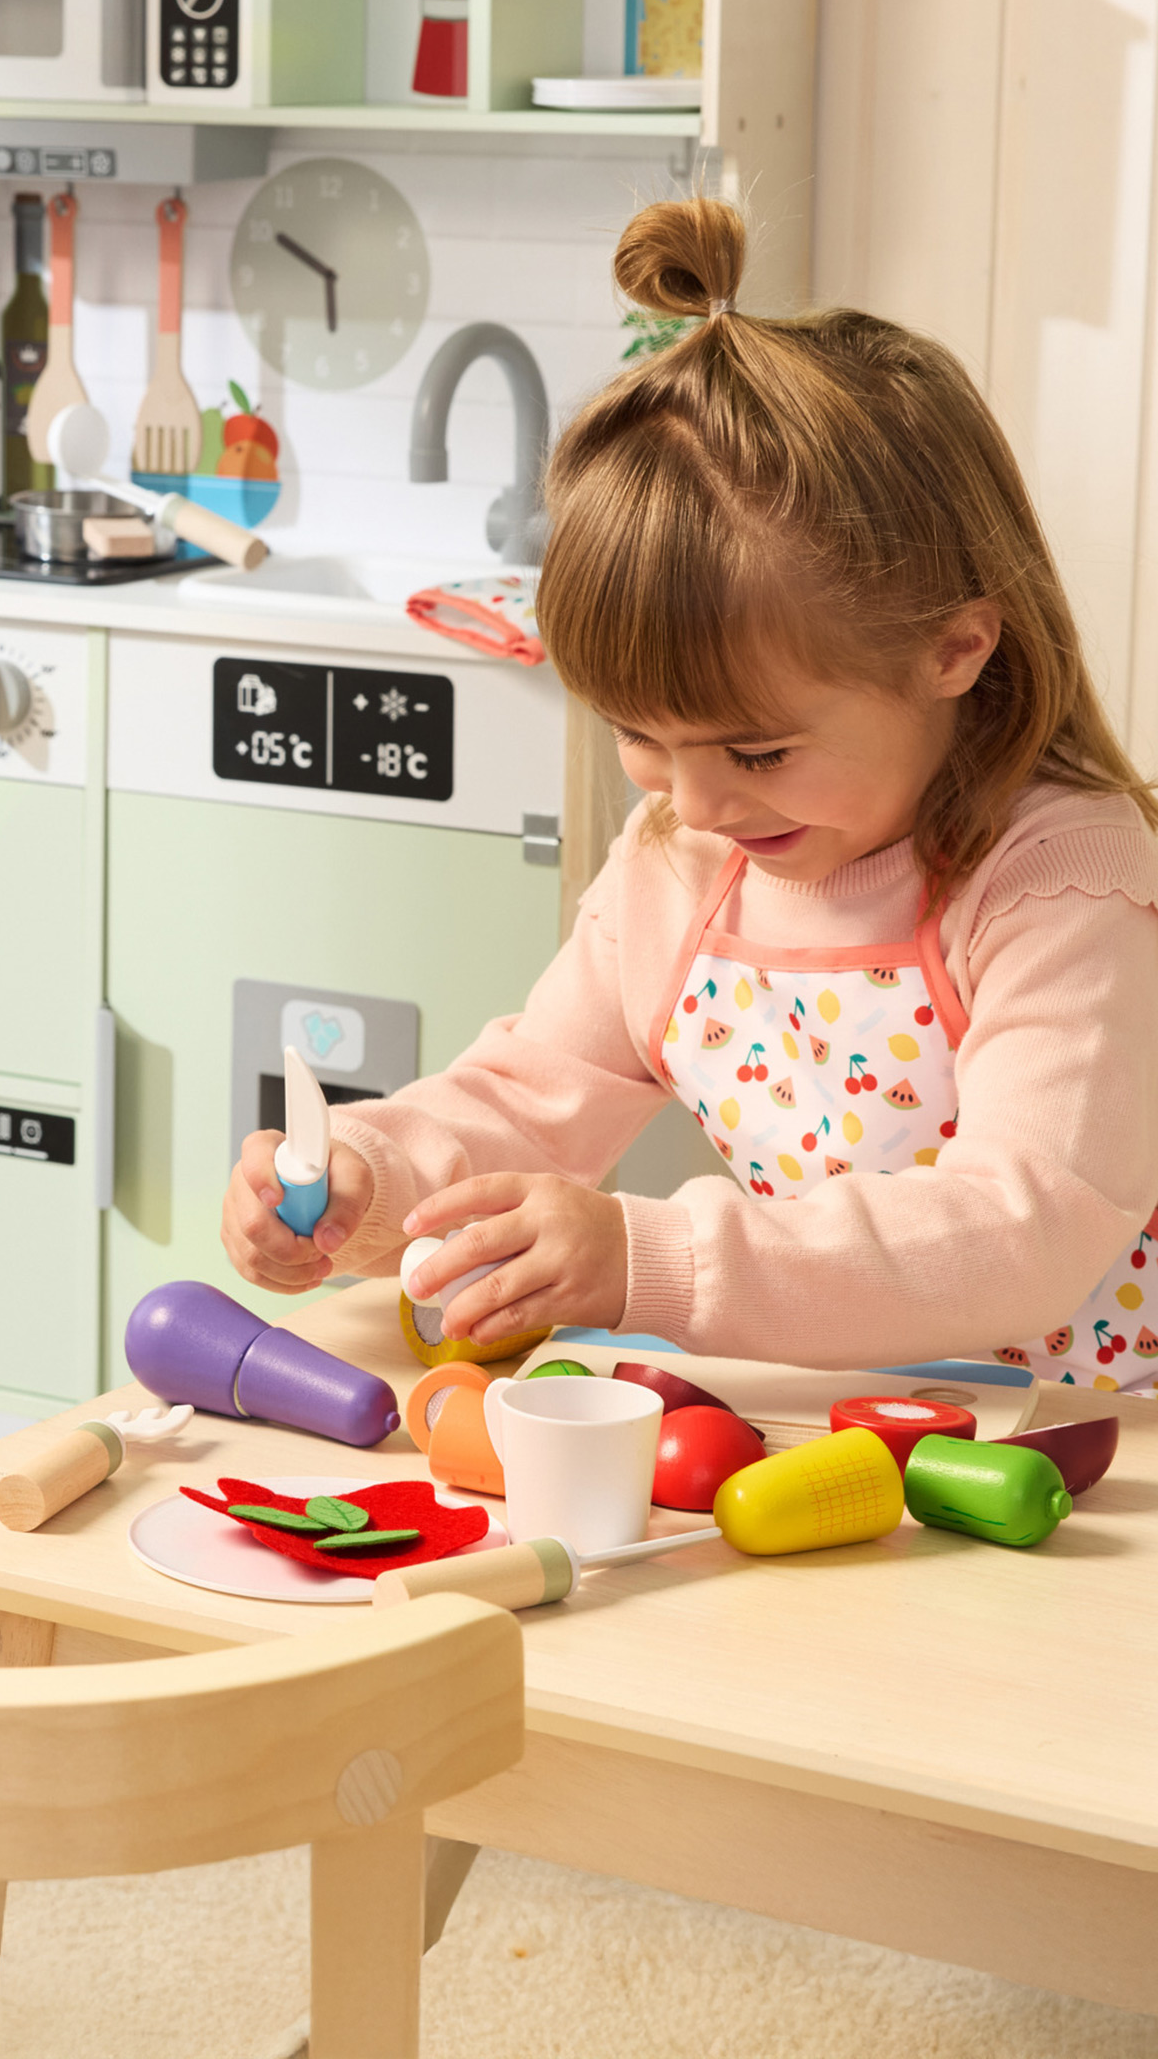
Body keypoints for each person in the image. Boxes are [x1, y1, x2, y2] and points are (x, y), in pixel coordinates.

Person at [221, 197, 1158, 1392]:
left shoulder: (1060, 880)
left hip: (1098, 1448)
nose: (698, 805)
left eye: (756, 753)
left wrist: (646, 1257)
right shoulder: (680, 867)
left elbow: (1025, 1223)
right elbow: (528, 1095)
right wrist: (366, 1172)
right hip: (841, 1424)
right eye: (641, 738)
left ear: (953, 649)